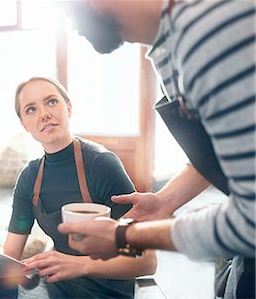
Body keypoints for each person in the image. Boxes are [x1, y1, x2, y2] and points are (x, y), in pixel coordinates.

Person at [57, 1, 255, 298]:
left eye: (71, 9)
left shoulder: (210, 37)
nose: (73, 23)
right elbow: (229, 149)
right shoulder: (171, 44)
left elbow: (249, 220)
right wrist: (165, 202)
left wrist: (124, 236)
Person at [0, 77, 156, 299]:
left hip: (105, 288)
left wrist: (80, 264)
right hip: (56, 282)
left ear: (69, 108)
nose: (44, 113)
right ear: (24, 124)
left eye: (52, 102)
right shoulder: (29, 178)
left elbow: (147, 260)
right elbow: (10, 254)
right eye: (31, 109)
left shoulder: (101, 164)